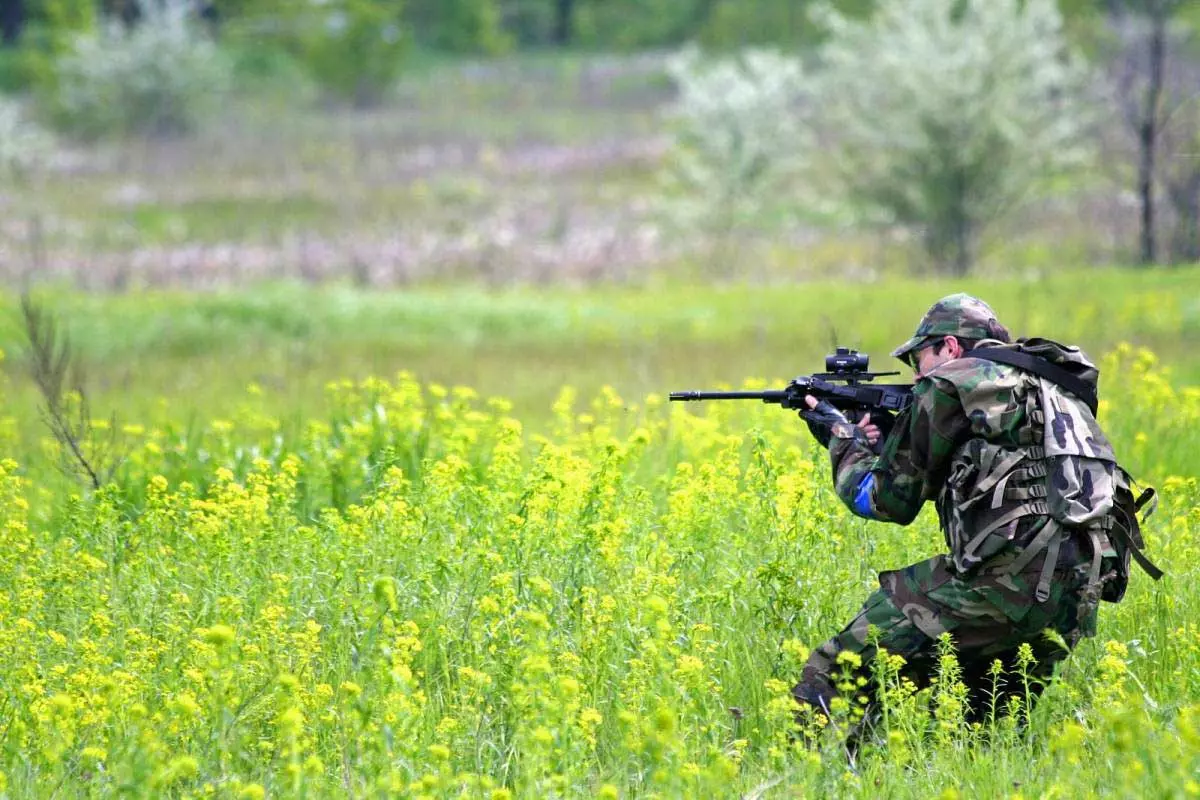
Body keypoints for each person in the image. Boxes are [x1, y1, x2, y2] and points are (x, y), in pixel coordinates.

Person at [791, 293, 1159, 740]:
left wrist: (841, 438)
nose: (917, 374)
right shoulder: (1050, 385)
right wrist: (890, 438)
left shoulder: (952, 382)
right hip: (1076, 593)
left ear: (949, 346)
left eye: (919, 359)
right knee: (984, 736)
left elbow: (885, 500)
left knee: (840, 668)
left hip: (1005, 586)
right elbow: (995, 469)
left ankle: (809, 775)